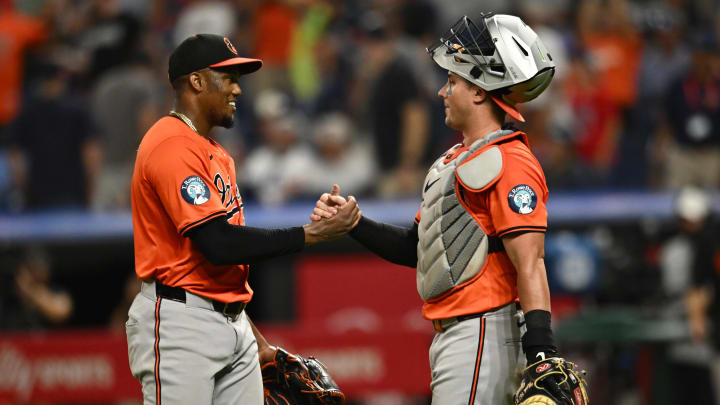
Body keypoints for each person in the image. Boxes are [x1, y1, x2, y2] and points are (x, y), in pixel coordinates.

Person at [314, 14, 562, 403]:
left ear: (479, 92)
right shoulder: (452, 160)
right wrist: (355, 224)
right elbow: (417, 248)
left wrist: (542, 350)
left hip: (485, 331)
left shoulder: (509, 159)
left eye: (453, 82)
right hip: (457, 334)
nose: (442, 92)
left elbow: (531, 261)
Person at [126, 34, 360, 405]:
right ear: (197, 82)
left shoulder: (216, 153)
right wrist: (310, 235)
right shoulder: (171, 144)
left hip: (232, 321)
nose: (237, 89)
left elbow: (220, 268)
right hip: (180, 325)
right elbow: (218, 244)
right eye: (228, 77)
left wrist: (258, 342)